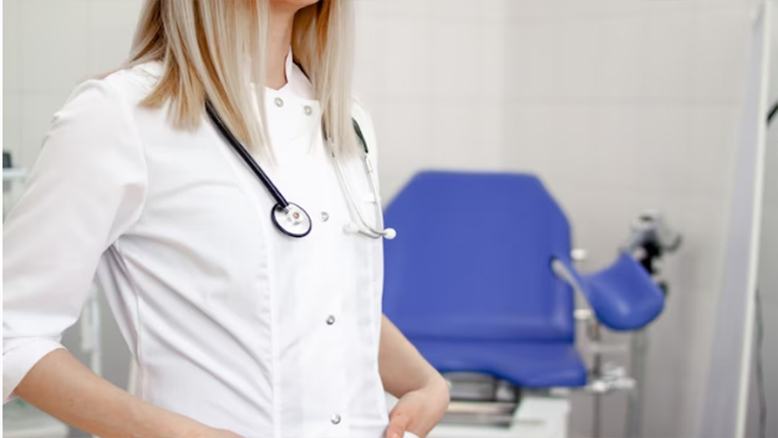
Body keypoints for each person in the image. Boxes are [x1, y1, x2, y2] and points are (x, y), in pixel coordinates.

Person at [2, 1, 449, 437]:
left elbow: (326, 296)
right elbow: (12, 334)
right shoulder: (122, 112)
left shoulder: (346, 117)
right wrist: (176, 433)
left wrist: (426, 382)